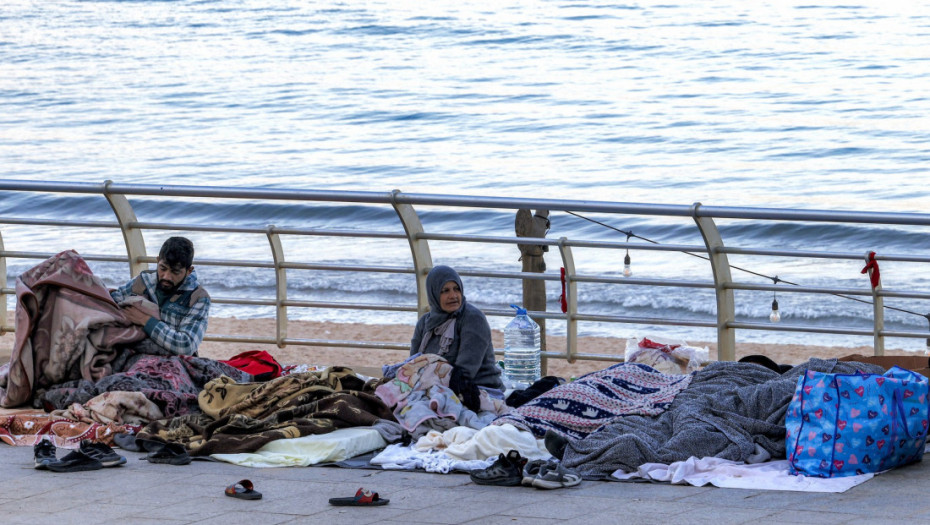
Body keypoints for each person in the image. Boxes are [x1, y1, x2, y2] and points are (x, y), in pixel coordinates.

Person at [110, 236, 210, 356]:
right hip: (135, 353)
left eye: (175, 272)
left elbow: (185, 345)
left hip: (174, 362)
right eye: (163, 268)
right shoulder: (143, 281)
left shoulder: (198, 298)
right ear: (157, 261)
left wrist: (145, 320)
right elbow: (113, 301)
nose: (166, 276)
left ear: (189, 271)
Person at [411, 265, 503, 390]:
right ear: (433, 293)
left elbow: (465, 372)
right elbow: (413, 364)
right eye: (445, 291)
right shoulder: (425, 322)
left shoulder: (473, 318)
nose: (453, 296)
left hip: (476, 388)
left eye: (456, 289)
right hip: (433, 386)